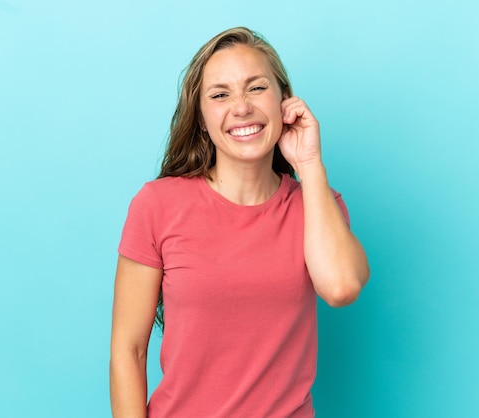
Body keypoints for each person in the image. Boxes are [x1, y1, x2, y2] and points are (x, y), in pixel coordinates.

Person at [110, 26, 370, 417]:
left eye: (256, 88)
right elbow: (128, 350)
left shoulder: (317, 206)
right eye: (220, 94)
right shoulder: (158, 205)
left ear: (285, 100)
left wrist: (310, 164)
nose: (242, 106)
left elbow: (341, 288)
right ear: (201, 117)